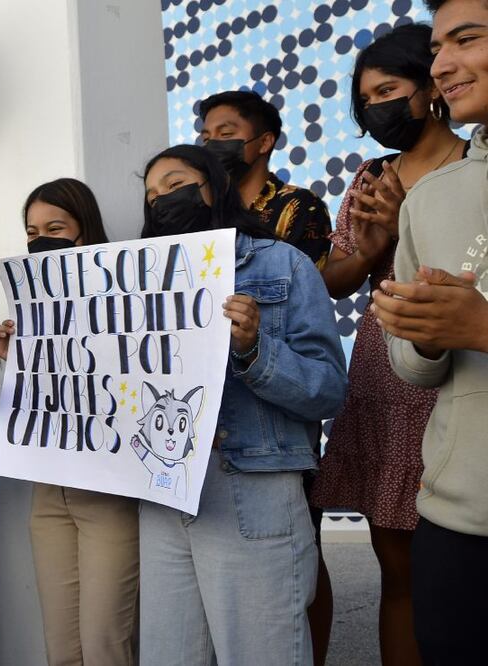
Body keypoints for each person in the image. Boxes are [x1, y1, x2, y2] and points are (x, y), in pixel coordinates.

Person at [135, 145, 347, 665]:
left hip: (249, 485)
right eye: (151, 195)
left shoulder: (283, 264)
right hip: (163, 495)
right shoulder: (140, 279)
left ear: (214, 187)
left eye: (174, 183)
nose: (162, 199)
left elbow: (327, 388)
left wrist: (255, 348)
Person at [309, 23, 465, 666]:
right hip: (383, 376)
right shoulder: (372, 175)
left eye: (389, 89)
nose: (376, 106)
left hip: (458, 372)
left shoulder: (472, 167)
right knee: (396, 575)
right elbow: (339, 278)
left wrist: (407, 227)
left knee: (457, 573)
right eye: (365, 96)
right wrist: (372, 247)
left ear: (430, 87)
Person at [199, 89, 336, 662]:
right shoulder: (178, 243)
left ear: (263, 141)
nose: (211, 142)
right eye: (205, 133)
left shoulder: (294, 223)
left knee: (291, 576)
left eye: (225, 131)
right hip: (197, 469)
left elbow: (318, 360)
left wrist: (252, 344)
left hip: (266, 443)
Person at [370, 1, 488, 661]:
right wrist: (422, 335)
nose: (441, 65)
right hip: (455, 523)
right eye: (438, 46)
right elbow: (414, 369)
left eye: (465, 39)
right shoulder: (432, 198)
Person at [0, 178, 140, 665]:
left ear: (85, 231)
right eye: (31, 232)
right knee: (61, 647)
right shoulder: (31, 305)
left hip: (108, 490)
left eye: (56, 227)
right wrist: (17, 359)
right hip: (50, 490)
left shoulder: (128, 295)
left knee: (105, 644)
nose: (41, 240)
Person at [199, 90, 333, 267]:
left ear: (264, 143)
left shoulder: (299, 204)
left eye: (225, 134)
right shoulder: (204, 210)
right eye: (207, 139)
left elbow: (308, 286)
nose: (212, 146)